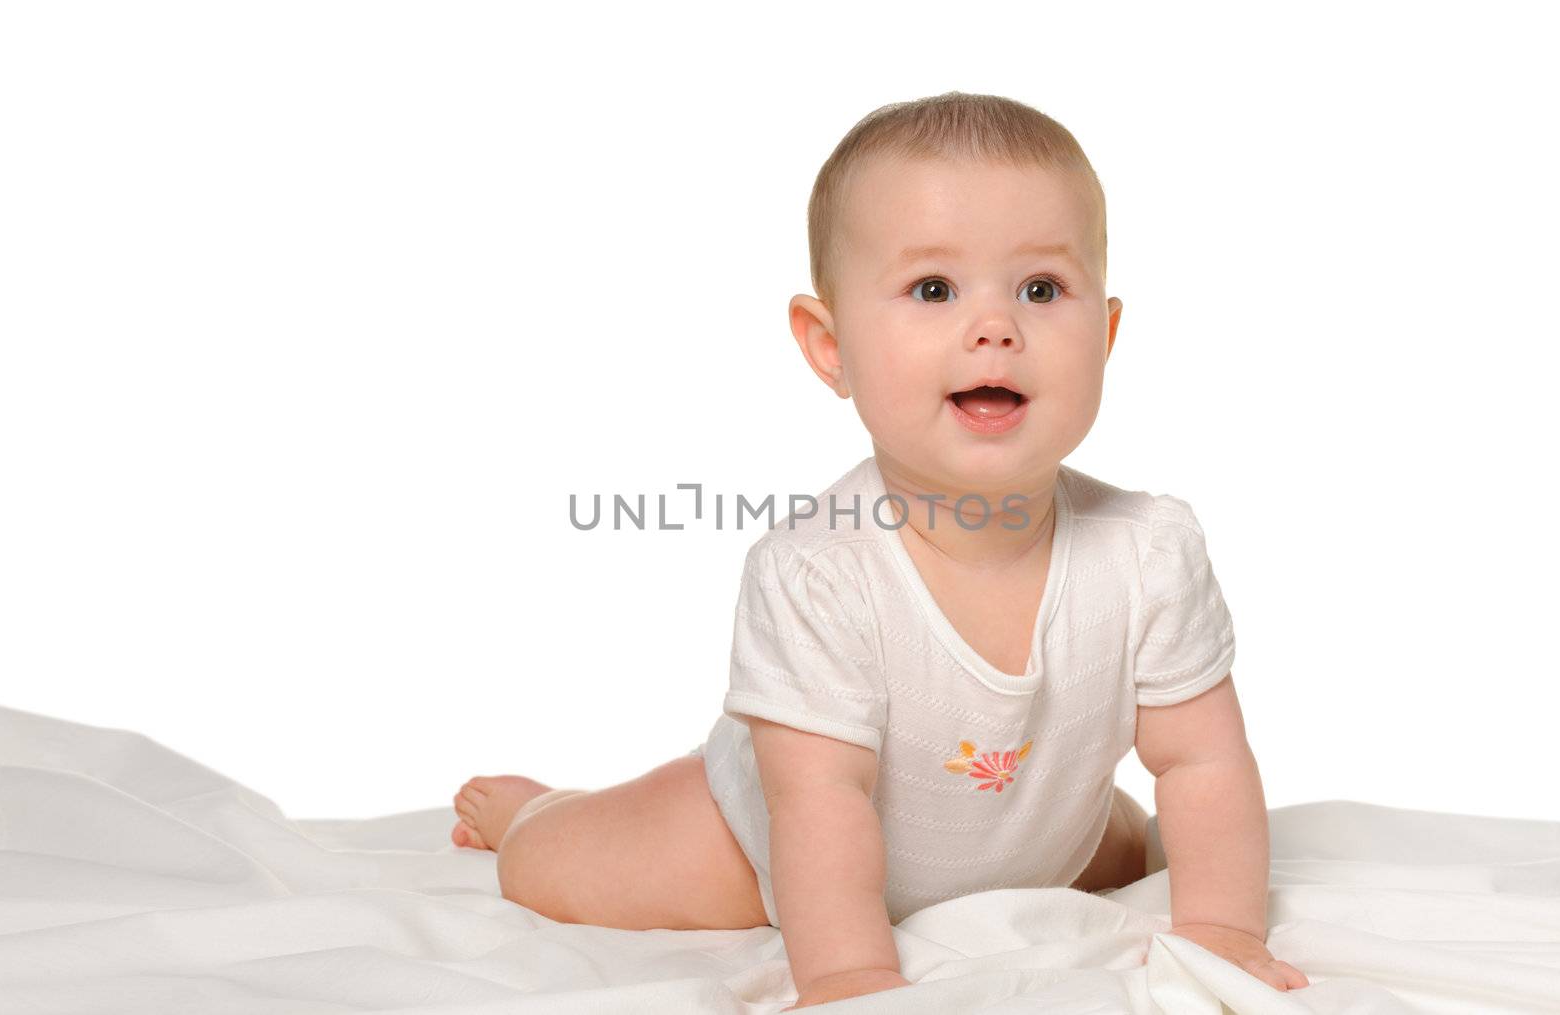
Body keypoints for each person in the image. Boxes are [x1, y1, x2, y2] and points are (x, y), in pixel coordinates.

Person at [450, 91, 1309, 1007]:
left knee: (1139, 841)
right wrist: (851, 974)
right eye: (934, 289)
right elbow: (819, 806)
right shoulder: (821, 574)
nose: (995, 326)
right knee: (561, 871)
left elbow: (1203, 761)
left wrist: (1220, 927)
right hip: (767, 846)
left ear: (1103, 336)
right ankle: (534, 813)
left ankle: (1052, 837)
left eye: (1042, 289)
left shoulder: (1148, 552)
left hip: (1033, 827)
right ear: (831, 348)